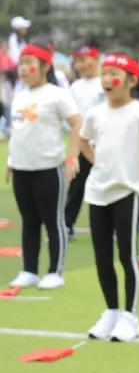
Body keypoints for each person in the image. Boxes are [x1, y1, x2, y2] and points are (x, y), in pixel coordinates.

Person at [81, 52, 139, 341]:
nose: (107, 79)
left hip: (126, 192)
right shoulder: (96, 113)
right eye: (104, 73)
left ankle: (130, 317)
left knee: (126, 255)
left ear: (132, 80)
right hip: (97, 191)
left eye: (114, 74)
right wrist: (95, 161)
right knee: (102, 256)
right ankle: (110, 311)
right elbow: (82, 140)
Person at [5, 40, 81, 290]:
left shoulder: (57, 94)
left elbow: (77, 124)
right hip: (22, 168)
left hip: (48, 168)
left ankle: (55, 271)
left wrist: (72, 157)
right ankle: (29, 270)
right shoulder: (19, 96)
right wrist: (10, 162)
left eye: (30, 64)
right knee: (28, 220)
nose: (24, 68)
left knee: (53, 220)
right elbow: (18, 132)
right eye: (22, 64)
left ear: (44, 66)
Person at [65, 43, 106, 238]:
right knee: (77, 186)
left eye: (84, 60)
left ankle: (111, 226)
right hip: (83, 143)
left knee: (108, 184)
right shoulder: (75, 87)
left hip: (106, 143)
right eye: (78, 61)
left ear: (96, 60)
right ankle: (67, 223)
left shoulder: (105, 82)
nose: (81, 65)